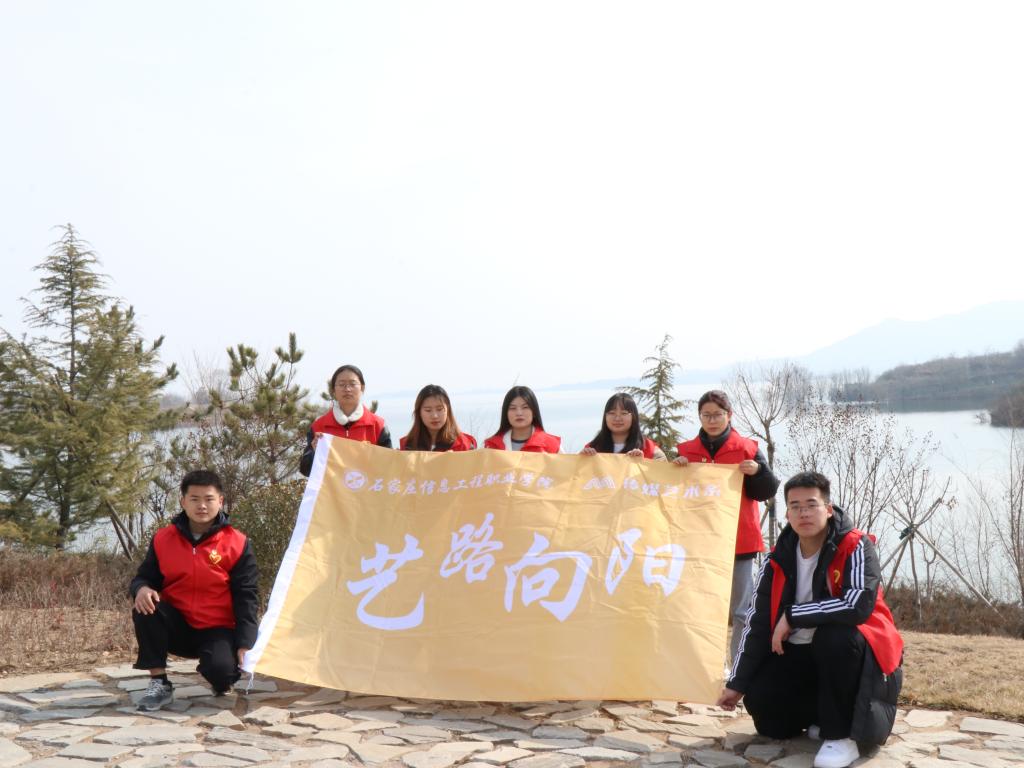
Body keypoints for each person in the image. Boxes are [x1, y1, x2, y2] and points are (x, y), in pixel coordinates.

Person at [718, 472, 903, 768]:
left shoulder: (855, 546)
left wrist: (793, 616)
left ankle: (842, 736)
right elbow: (758, 623)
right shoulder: (776, 558)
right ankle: (820, 716)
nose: (803, 513)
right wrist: (737, 683)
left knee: (834, 638)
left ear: (828, 509)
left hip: (856, 655)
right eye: (795, 506)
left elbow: (857, 606)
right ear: (787, 514)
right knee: (768, 718)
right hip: (800, 653)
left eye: (811, 504)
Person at [130, 470, 258, 711]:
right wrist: (142, 588)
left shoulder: (237, 542)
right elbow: (145, 577)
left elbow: (247, 595)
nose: (202, 506)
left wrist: (246, 642)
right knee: (145, 606)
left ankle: (219, 672)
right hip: (177, 627)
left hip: (217, 628)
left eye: (209, 499)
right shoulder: (163, 538)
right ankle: (159, 682)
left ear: (220, 501)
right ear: (183, 502)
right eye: (194, 499)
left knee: (222, 675)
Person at [674, 390, 779, 664]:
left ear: (729, 415)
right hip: (698, 542)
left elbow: (767, 491)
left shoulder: (747, 448)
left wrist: (758, 472)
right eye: (706, 415)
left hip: (739, 540)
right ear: (699, 417)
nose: (712, 420)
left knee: (741, 610)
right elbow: (672, 494)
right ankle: (701, 665)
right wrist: (675, 469)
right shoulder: (686, 451)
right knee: (698, 607)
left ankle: (738, 667)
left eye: (717, 415)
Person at [300, 364, 392, 476]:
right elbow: (306, 470)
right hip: (331, 488)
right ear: (333, 390)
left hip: (367, 486)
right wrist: (314, 452)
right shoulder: (319, 427)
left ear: (362, 388)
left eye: (352, 384)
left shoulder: (378, 425)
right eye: (341, 384)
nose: (347, 389)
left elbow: (389, 467)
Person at [580, 393, 666, 459]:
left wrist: (641, 464)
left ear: (634, 417)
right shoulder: (592, 449)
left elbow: (662, 475)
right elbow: (577, 475)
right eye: (612, 413)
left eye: (624, 413)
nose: (617, 418)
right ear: (605, 417)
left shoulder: (652, 452)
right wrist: (581, 460)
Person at [483, 385, 561, 453]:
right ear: (506, 413)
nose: (519, 413)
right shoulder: (492, 446)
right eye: (513, 408)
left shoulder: (551, 446)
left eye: (525, 407)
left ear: (534, 411)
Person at [400, 384, 477, 451]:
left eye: (440, 409)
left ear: (448, 410)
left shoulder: (464, 445)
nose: (435, 416)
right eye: (428, 410)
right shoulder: (407, 446)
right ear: (419, 413)